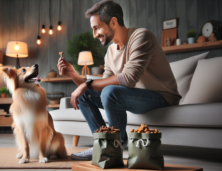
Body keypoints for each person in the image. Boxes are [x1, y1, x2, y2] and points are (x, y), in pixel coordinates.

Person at [57, 0, 181, 161]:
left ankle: (115, 143)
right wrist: (74, 75)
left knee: (108, 91)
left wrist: (86, 84)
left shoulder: (142, 36)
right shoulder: (110, 51)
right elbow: (101, 87)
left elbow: (128, 79)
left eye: (97, 28)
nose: (94, 34)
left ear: (113, 22)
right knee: (85, 95)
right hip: (134, 97)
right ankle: (102, 143)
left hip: (162, 97)